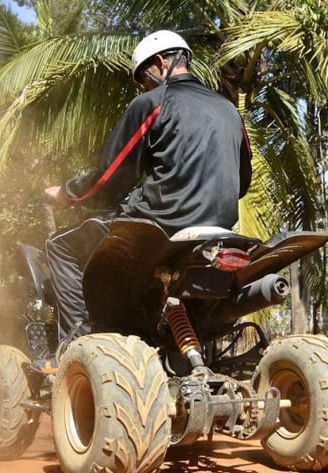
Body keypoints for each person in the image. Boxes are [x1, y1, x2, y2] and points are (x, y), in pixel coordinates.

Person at [44, 30, 252, 341]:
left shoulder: (153, 103)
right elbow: (242, 183)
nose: (143, 86)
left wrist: (66, 193)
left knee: (60, 246)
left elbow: (109, 178)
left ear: (159, 63)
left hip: (163, 224)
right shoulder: (229, 111)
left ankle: (77, 345)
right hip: (221, 229)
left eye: (143, 78)